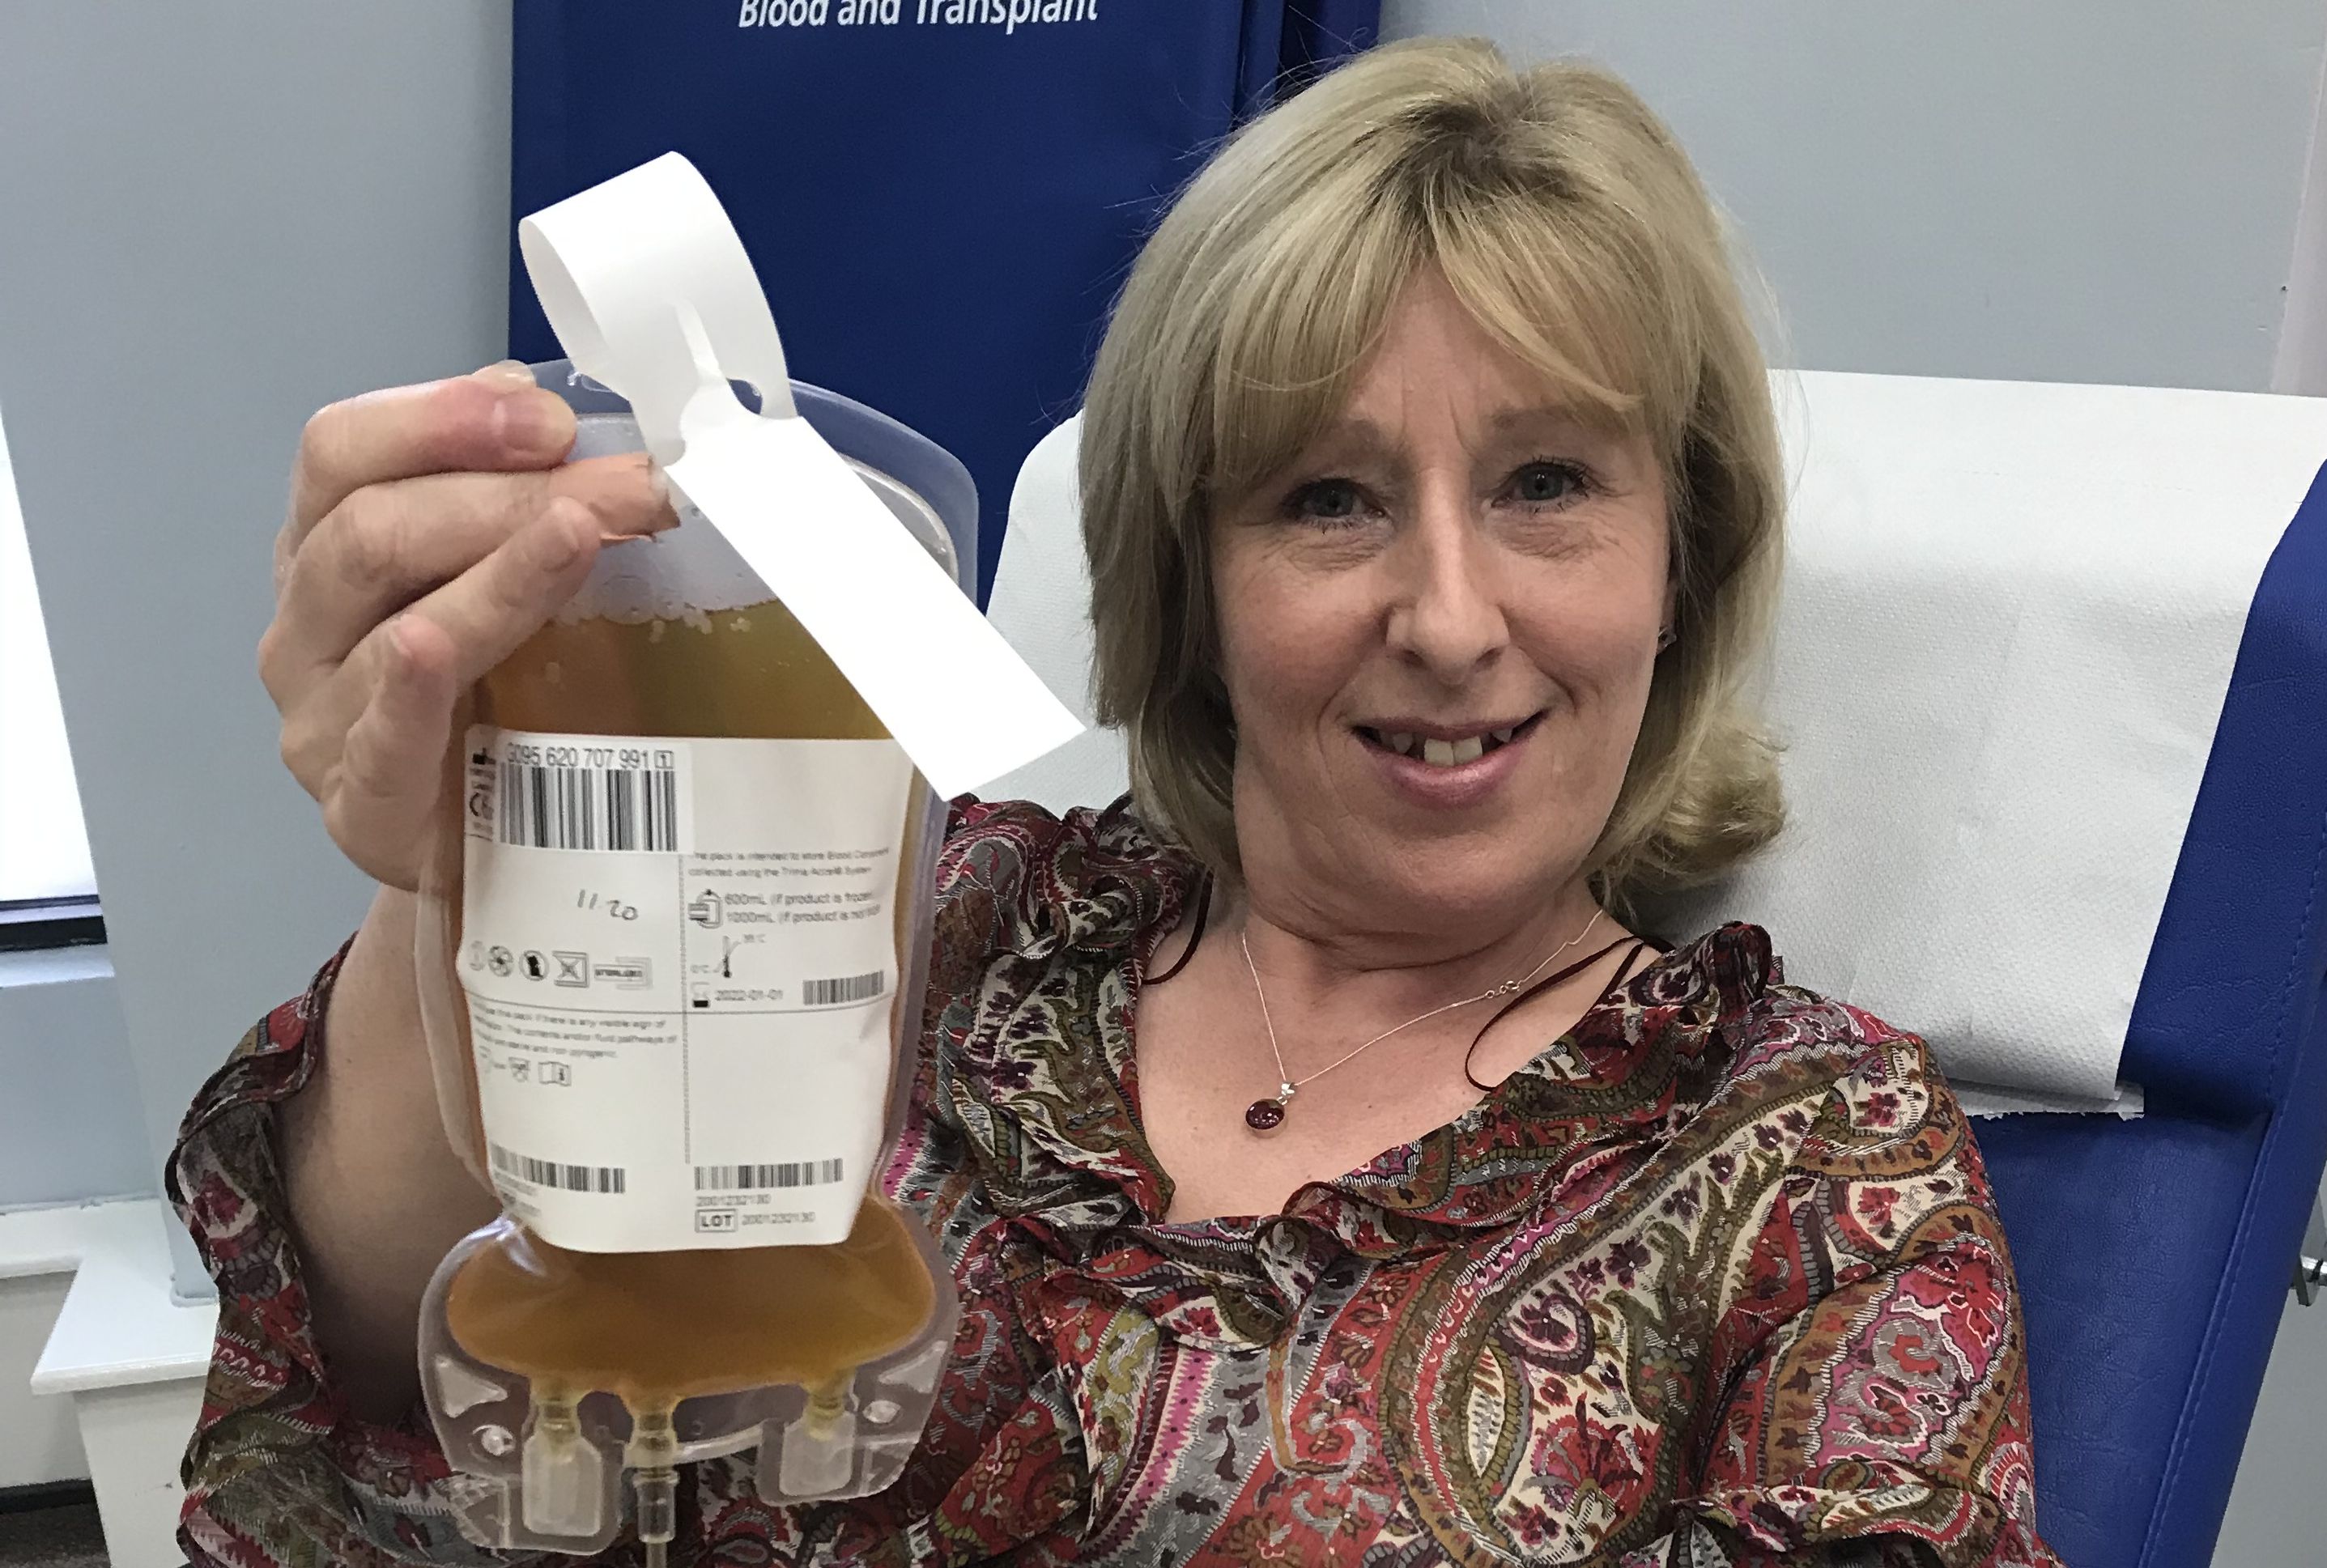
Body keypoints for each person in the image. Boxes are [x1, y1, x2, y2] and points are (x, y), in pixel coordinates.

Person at [176, 36, 2059, 1568]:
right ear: (1190, 581)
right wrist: (447, 875)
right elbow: (374, 1394)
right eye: (1323, 499)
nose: (1447, 616)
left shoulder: (1810, 1163)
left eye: (1546, 481)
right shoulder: (925, 911)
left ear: (1682, 557)